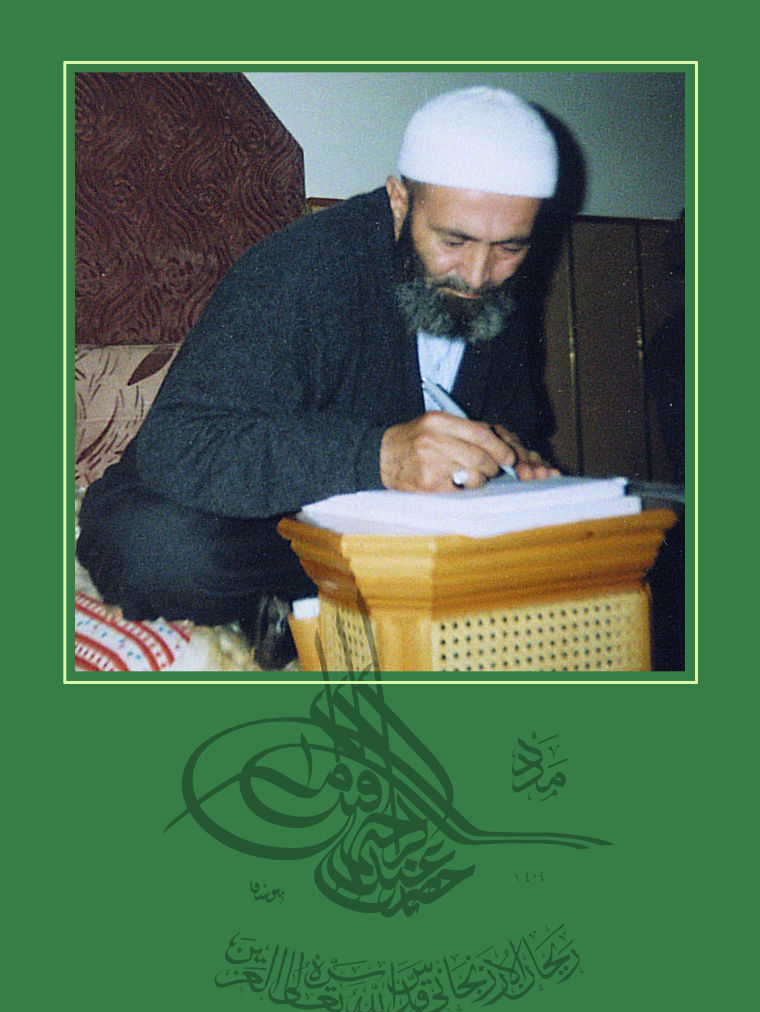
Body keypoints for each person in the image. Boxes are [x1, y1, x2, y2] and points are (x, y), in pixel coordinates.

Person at [77, 86, 561, 668]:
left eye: (509, 248)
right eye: (453, 241)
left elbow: (513, 420)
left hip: (380, 529)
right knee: (161, 549)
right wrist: (380, 456)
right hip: (248, 517)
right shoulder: (301, 270)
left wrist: (512, 457)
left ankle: (318, 610)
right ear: (399, 200)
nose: (479, 276)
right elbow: (179, 444)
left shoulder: (497, 288)